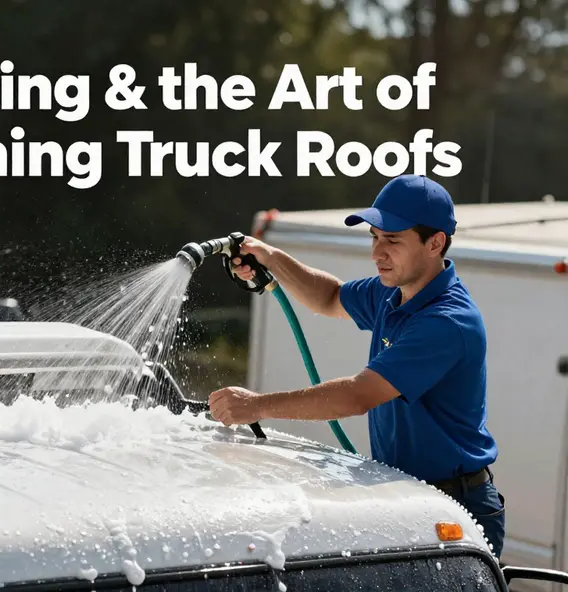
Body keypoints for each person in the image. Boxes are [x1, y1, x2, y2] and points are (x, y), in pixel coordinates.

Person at [208, 174, 506, 558]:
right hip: (409, 495)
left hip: (455, 508)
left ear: (435, 243)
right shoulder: (392, 291)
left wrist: (257, 406)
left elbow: (358, 394)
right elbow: (330, 297)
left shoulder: (447, 321)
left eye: (393, 240)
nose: (377, 253)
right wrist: (269, 257)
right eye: (375, 237)